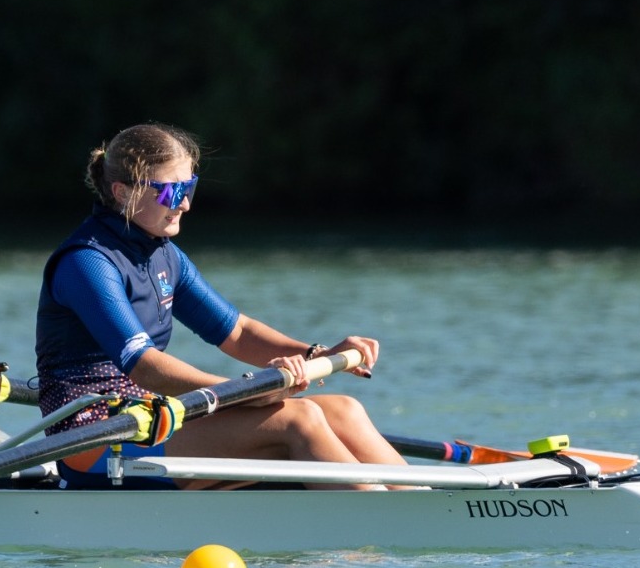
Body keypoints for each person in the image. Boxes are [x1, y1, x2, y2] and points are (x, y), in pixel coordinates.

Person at [34, 123, 412, 491]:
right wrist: (246, 393)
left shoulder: (165, 256)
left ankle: (424, 509)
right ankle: (385, 537)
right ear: (121, 192)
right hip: (90, 439)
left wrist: (318, 353)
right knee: (300, 420)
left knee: (344, 409)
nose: (184, 203)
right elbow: (146, 367)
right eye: (171, 190)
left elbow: (238, 332)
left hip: (150, 417)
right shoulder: (87, 263)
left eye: (190, 187)